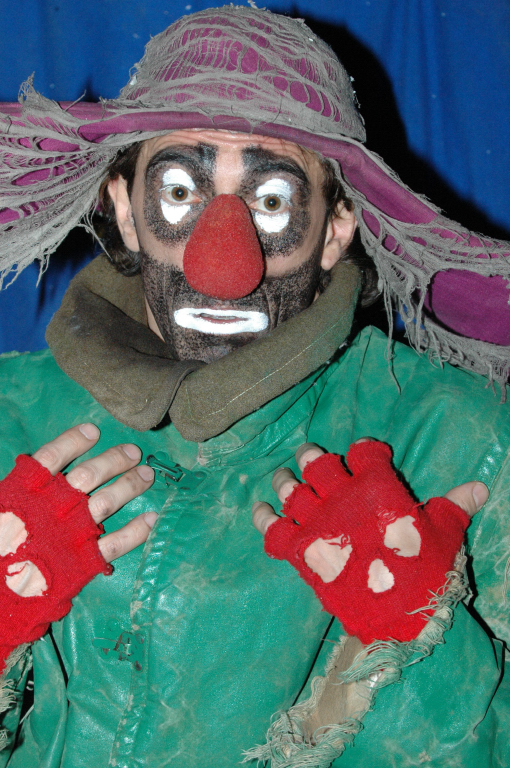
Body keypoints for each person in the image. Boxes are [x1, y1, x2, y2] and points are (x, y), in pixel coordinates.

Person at [0, 6, 509, 767]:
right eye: (180, 193)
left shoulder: (454, 436)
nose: (222, 262)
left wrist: (416, 635)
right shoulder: (11, 414)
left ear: (335, 230)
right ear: (125, 212)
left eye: (272, 203)